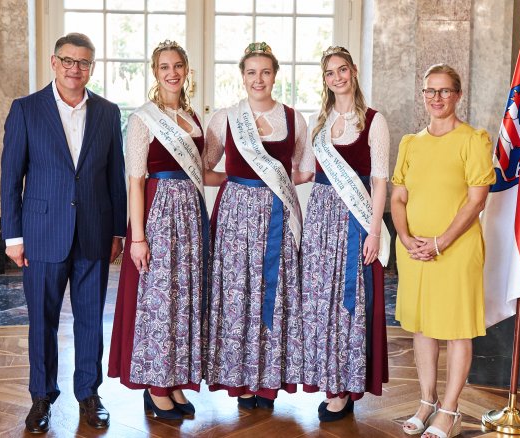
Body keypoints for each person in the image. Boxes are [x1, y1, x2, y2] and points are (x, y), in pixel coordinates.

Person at [0, 32, 126, 433]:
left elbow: (115, 178)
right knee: (43, 320)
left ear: (92, 66)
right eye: (68, 61)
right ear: (54, 63)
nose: (76, 69)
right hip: (40, 233)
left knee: (91, 318)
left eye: (84, 62)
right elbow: (9, 178)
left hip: (94, 230)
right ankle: (42, 397)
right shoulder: (26, 110)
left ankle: (89, 394)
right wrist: (12, 236)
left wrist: (118, 231)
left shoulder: (107, 112)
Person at [108, 40, 220, 420]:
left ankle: (173, 381)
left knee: (182, 298)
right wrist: (137, 237)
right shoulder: (143, 118)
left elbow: (202, 172)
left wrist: (247, 177)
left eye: (177, 66)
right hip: (157, 214)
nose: (172, 72)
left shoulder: (192, 117)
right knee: (158, 301)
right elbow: (135, 180)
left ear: (187, 70)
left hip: (190, 215)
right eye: (163, 67)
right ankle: (156, 386)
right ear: (155, 73)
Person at [390, 64, 495, 438]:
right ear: (423, 95)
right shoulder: (410, 143)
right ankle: (426, 402)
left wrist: (441, 242)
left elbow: (476, 200)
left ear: (458, 95)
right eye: (429, 91)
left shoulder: (473, 140)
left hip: (455, 250)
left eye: (444, 91)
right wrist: (404, 237)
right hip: (415, 250)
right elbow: (398, 196)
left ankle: (450, 412)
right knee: (421, 327)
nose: (436, 98)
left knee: (455, 330)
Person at [203, 42, 308, 410]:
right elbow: (202, 168)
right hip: (235, 216)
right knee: (236, 295)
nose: (258, 79)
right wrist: (237, 182)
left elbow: (304, 169)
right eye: (251, 72)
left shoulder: (294, 119)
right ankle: (240, 378)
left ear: (275, 75)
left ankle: (268, 381)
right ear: (242, 76)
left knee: (274, 293)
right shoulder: (225, 117)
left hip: (277, 215)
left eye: (265, 72)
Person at [297, 46, 390, 422]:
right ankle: (327, 378)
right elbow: (303, 172)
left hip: (354, 221)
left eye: (342, 70)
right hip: (320, 219)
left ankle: (344, 387)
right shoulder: (319, 122)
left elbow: (380, 181)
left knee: (347, 302)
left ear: (353, 72)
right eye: (329, 73)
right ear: (325, 80)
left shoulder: (373, 120)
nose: (337, 77)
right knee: (321, 302)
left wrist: (373, 231)